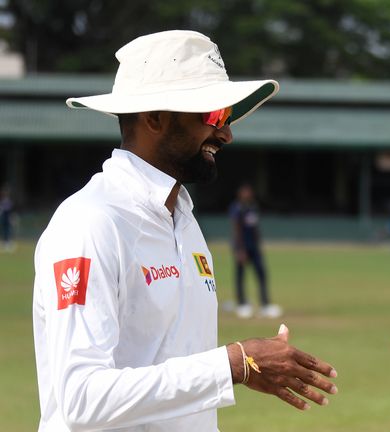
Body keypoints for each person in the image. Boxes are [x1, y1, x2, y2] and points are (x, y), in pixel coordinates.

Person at [32, 30, 337, 431]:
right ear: (154, 118)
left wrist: (237, 369)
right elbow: (81, 398)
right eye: (211, 117)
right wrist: (232, 364)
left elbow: (172, 363)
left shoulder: (183, 219)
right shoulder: (90, 222)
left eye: (226, 117)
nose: (226, 133)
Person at [229, 183, 281, 319]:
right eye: (244, 192)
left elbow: (255, 228)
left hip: (254, 247)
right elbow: (237, 230)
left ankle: (265, 304)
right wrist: (240, 249)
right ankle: (242, 304)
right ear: (240, 194)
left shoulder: (253, 207)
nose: (247, 195)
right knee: (240, 276)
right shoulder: (237, 208)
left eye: (249, 192)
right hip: (243, 247)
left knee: (261, 273)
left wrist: (259, 244)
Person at [0, 184, 16, 252]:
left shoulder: (9, 201)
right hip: (4, 218)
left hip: (7, 218)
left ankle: (8, 242)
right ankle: (5, 242)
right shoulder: (3, 201)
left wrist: (12, 217)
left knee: (8, 230)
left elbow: (10, 210)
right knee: (5, 230)